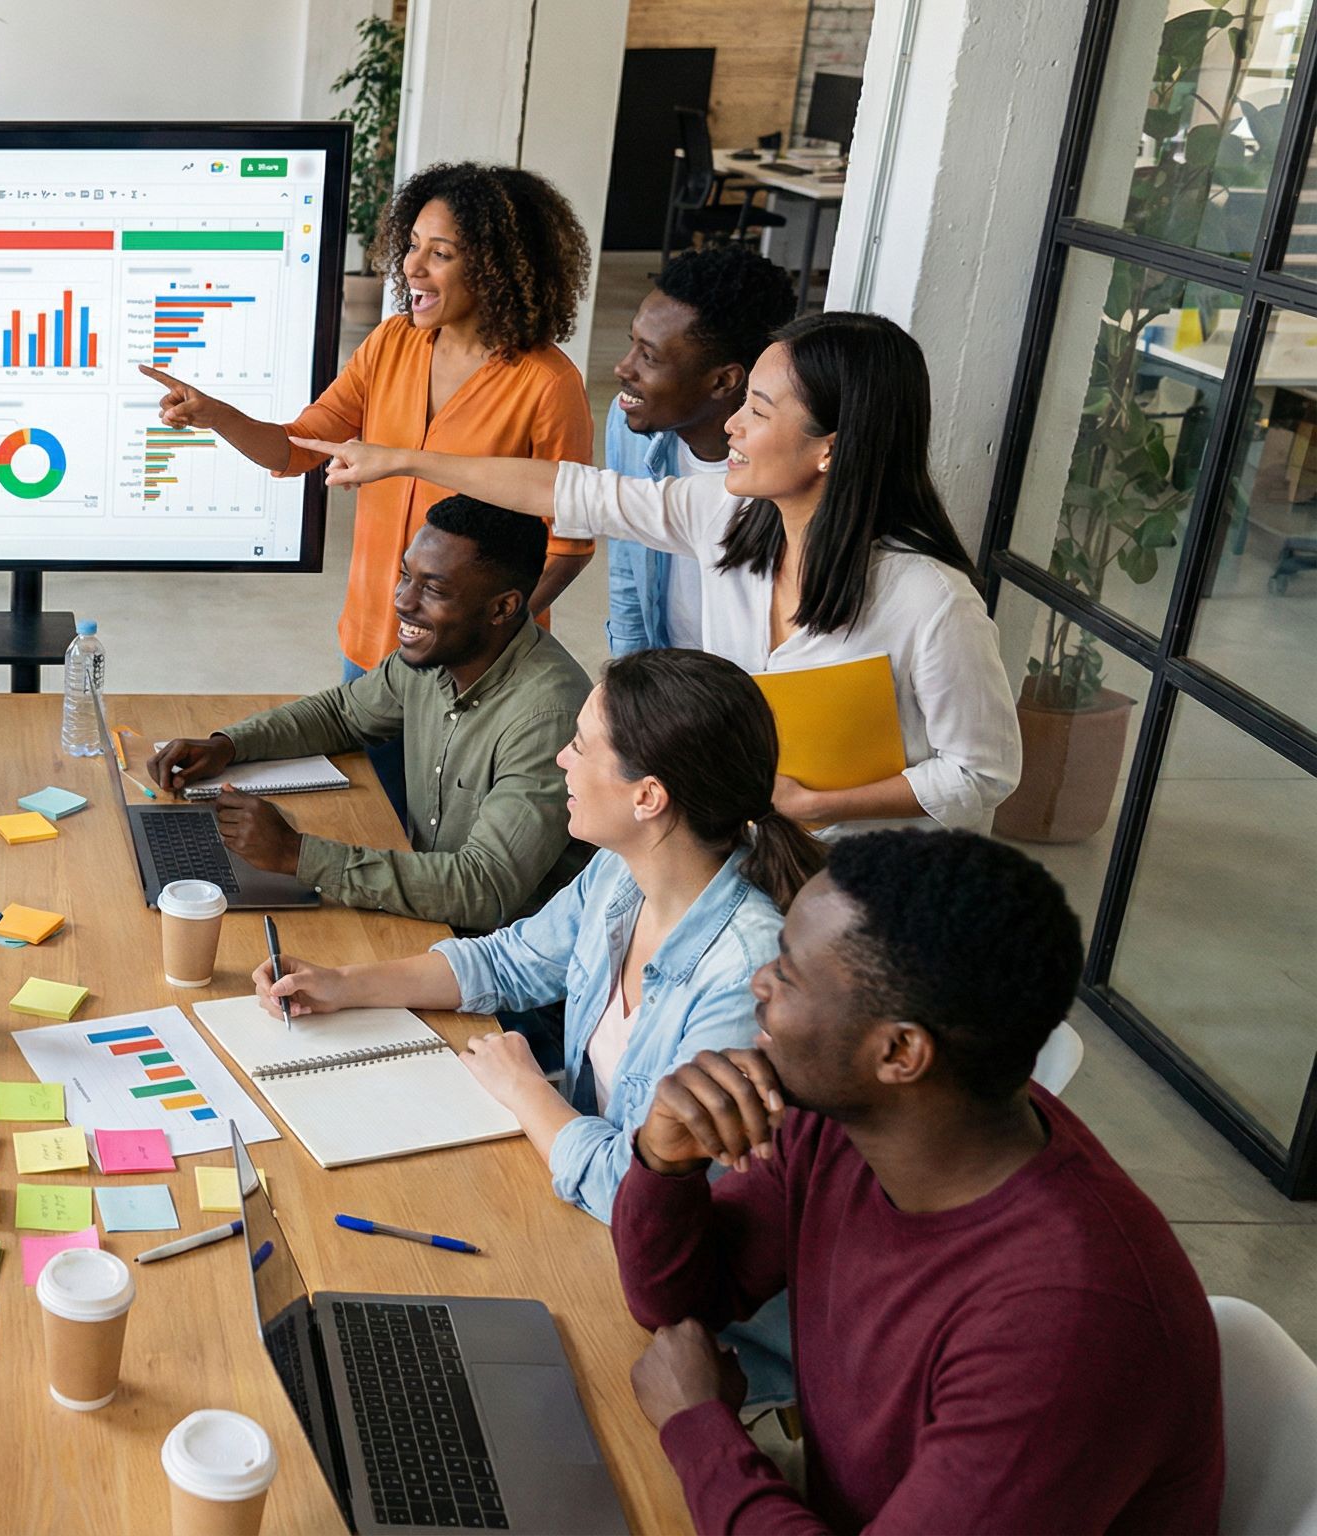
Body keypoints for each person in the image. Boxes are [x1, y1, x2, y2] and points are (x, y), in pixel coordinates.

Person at [613, 830, 1222, 1532]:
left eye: (787, 971)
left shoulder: (1067, 1321)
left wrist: (702, 1429)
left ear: (900, 1051)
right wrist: (668, 1163)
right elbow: (681, 1302)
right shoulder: (856, 1120)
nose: (758, 982)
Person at [294, 310, 1020, 836]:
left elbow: (983, 773)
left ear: (830, 448)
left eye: (758, 412)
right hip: (752, 845)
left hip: (868, 882)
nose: (731, 425)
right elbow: (569, 490)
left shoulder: (931, 601)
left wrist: (822, 804)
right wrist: (406, 458)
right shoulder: (728, 519)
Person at [251, 647, 825, 1224]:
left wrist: (526, 1088)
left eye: (580, 745)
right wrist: (341, 984)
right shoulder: (621, 869)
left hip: (652, 1257)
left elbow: (636, 1192)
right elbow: (510, 963)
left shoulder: (744, 978)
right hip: (576, 1195)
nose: (561, 758)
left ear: (646, 796)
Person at [139, 163, 593, 811]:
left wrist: (496, 640)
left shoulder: (548, 384)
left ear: (496, 265)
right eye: (411, 245)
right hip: (373, 647)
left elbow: (570, 544)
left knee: (444, 838)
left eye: (441, 253)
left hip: (475, 667)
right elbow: (299, 447)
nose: (413, 267)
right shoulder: (390, 345)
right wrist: (216, 414)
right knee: (373, 817)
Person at [149, 495, 590, 930]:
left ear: (502, 608)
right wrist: (228, 745)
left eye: (432, 589)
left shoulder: (547, 718)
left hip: (500, 961)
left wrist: (298, 855)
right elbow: (342, 713)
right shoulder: (439, 655)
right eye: (405, 576)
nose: (402, 601)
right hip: (432, 915)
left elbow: (484, 889)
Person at [602, 246, 798, 655]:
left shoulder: (789, 469)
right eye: (632, 344)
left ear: (723, 382)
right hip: (670, 676)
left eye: (649, 356)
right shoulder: (628, 425)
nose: (623, 368)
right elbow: (626, 563)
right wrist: (628, 669)